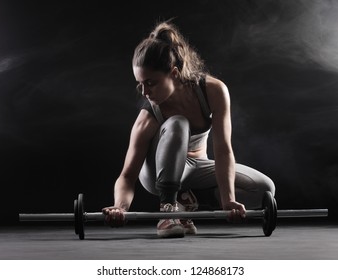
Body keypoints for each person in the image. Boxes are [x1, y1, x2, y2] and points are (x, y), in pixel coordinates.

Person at [102, 20, 275, 238]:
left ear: (174, 73)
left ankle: (187, 203)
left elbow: (222, 150)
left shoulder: (213, 91)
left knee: (264, 189)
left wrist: (228, 199)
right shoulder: (148, 117)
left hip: (196, 168)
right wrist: (120, 207)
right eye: (140, 84)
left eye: (151, 83)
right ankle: (168, 211)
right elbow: (127, 176)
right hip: (156, 175)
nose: (145, 92)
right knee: (177, 122)